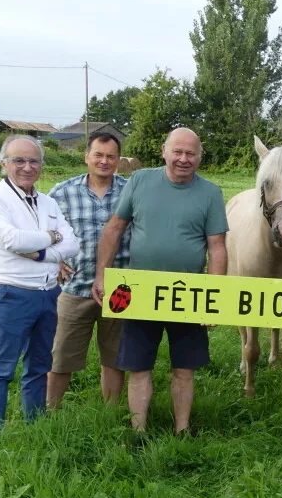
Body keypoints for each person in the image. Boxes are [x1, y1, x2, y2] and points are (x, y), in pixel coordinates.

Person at [92, 128, 228, 435]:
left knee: (185, 368)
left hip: (189, 293)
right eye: (177, 152)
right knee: (138, 366)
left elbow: (217, 246)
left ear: (199, 157)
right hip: (139, 290)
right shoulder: (140, 181)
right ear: (163, 151)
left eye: (190, 153)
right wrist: (102, 274)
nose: (183, 159)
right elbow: (114, 229)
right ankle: (138, 431)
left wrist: (214, 296)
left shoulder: (210, 193)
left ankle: (182, 429)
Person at [0, 135, 79, 433]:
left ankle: (35, 427)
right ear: (3, 163)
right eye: (18, 160)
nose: (27, 167)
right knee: (1, 369)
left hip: (48, 294)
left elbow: (73, 244)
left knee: (39, 367)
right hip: (11, 293)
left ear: (41, 165)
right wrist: (53, 236)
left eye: (34, 161)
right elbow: (14, 240)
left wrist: (43, 251)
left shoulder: (47, 202)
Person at [47, 130, 129, 408]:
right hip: (75, 286)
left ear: (119, 160)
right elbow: (43, 231)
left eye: (110, 156)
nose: (104, 161)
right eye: (98, 155)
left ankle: (111, 411)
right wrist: (54, 260)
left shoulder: (130, 191)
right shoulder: (62, 192)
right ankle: (50, 410)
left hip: (119, 288)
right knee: (61, 357)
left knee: (115, 357)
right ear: (87, 157)